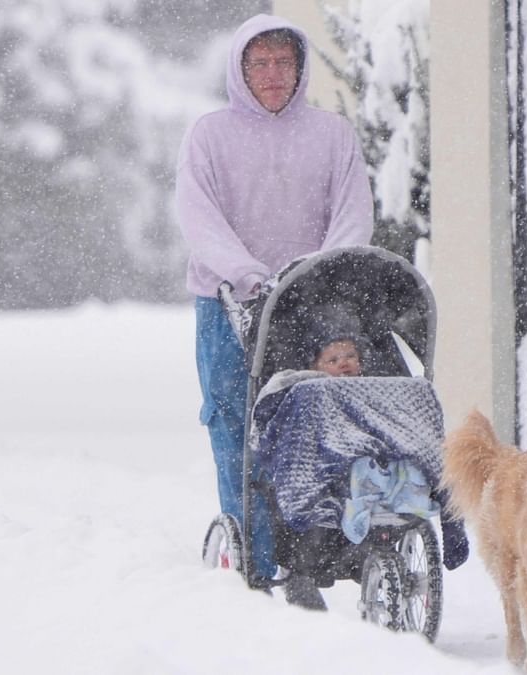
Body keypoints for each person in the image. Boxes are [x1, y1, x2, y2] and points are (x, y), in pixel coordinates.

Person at [174, 13, 374, 604]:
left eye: (283, 61)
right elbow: (198, 216)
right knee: (237, 422)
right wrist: (247, 273)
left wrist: (325, 270)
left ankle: (317, 545)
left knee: (312, 423)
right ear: (239, 69)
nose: (272, 74)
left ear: (300, 66)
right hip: (230, 301)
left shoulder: (332, 135)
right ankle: (256, 559)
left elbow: (352, 209)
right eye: (258, 63)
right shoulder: (209, 136)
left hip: (313, 302)